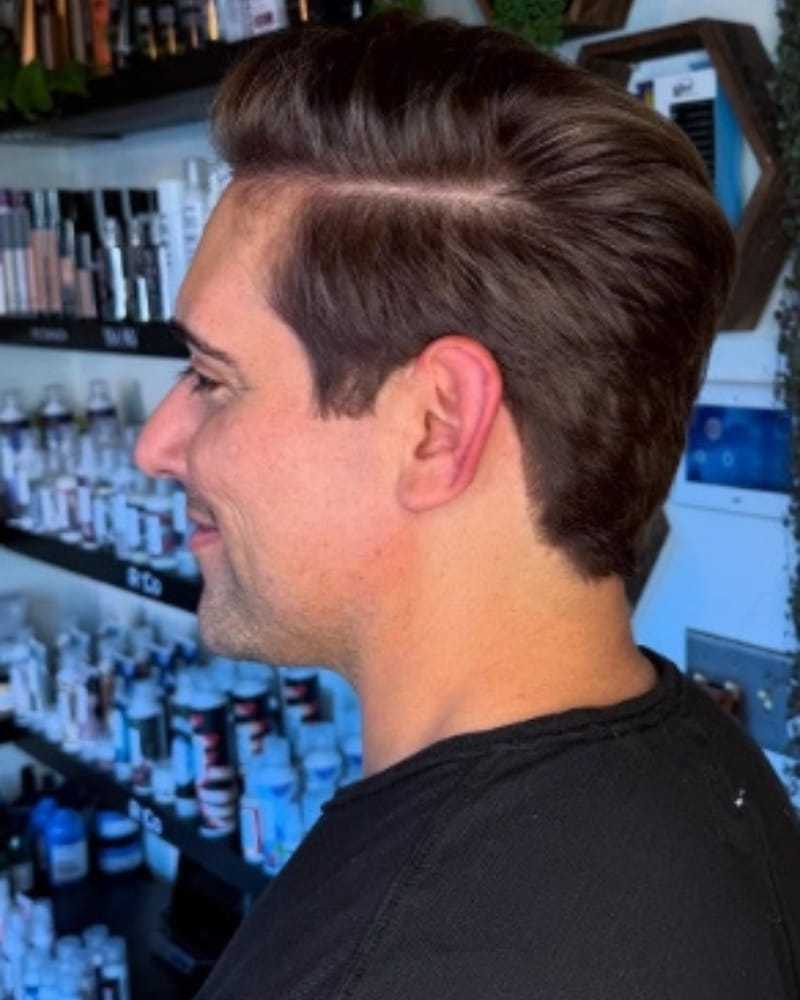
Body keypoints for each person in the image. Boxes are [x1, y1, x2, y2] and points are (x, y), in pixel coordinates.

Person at [134, 14, 800, 1000]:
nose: (156, 443)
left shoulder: (400, 965)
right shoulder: (707, 771)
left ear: (436, 426)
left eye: (210, 375)